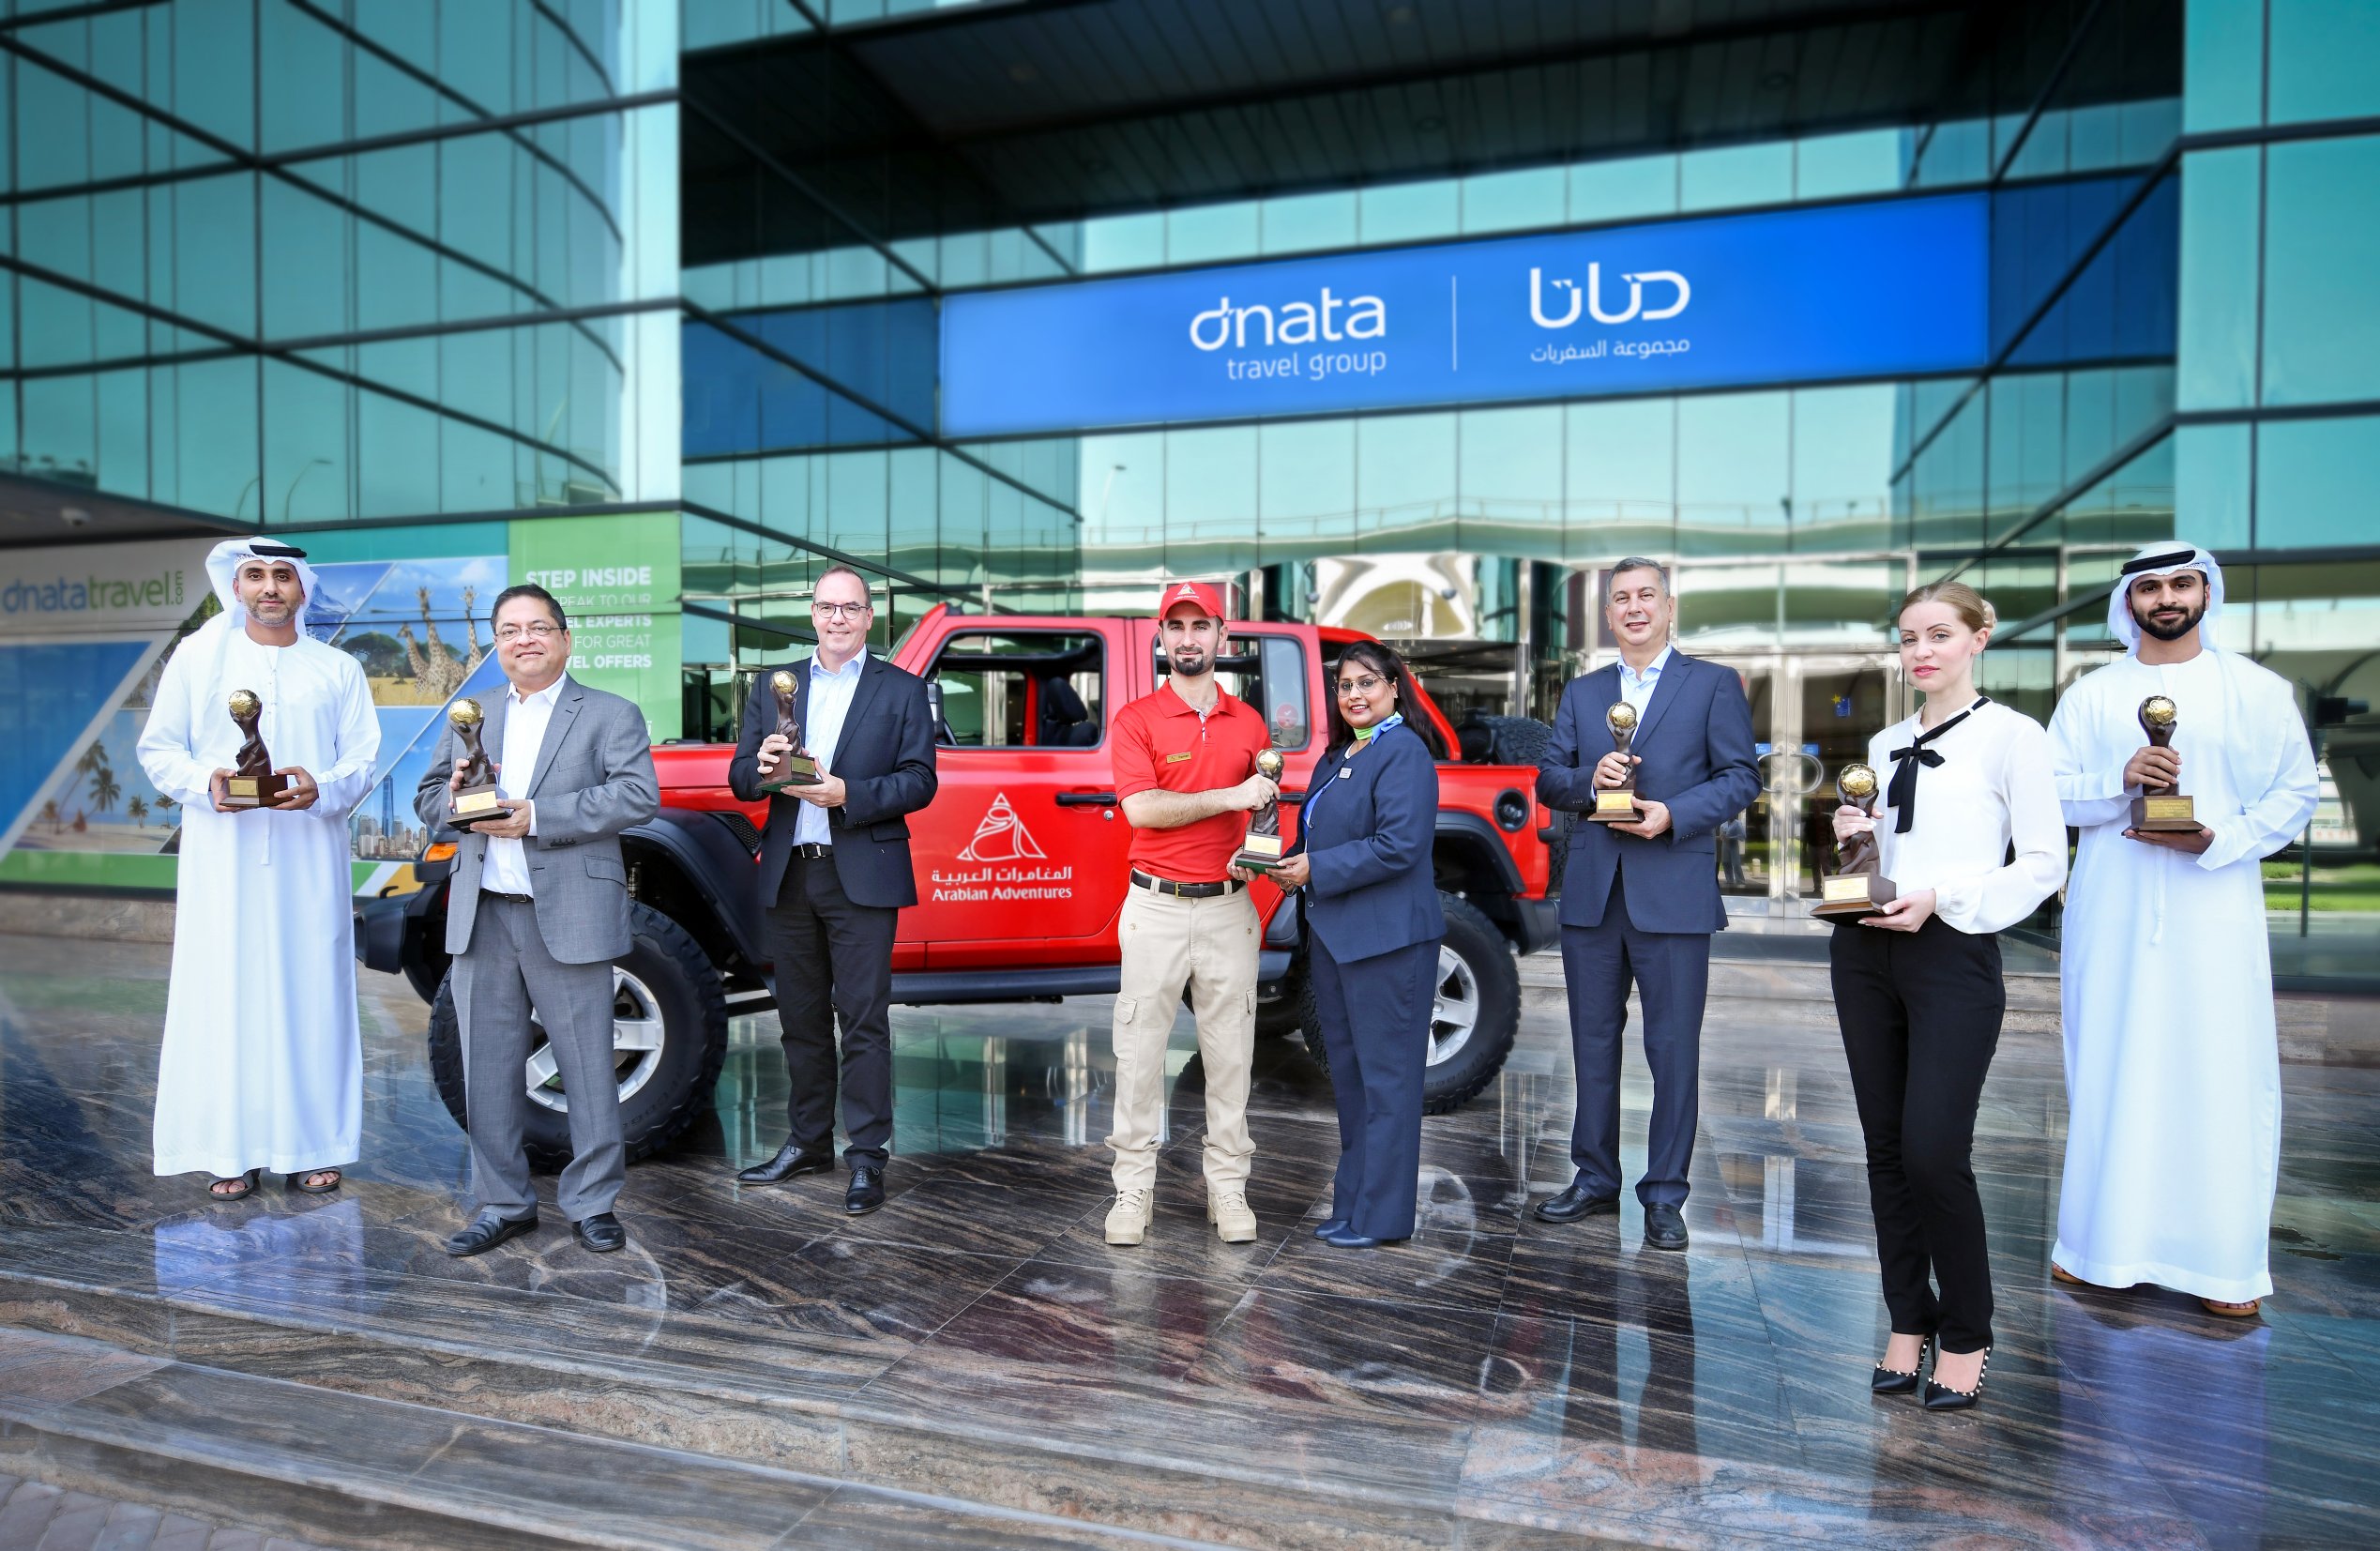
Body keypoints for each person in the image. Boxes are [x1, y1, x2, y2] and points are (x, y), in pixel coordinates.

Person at [2046, 543, 2318, 1319]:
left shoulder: (2257, 690)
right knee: (2110, 1067)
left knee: (2220, 1072)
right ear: (2128, 601)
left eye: (2179, 583)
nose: (2165, 597)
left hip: (2216, 911)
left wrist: (2219, 839)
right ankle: (2099, 1247)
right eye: (2149, 587)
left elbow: (2295, 791)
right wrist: (2119, 780)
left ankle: (2222, 1266)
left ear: (2204, 591)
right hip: (2113, 912)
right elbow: (2048, 792)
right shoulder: (2091, 694)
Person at [1829, 580, 2064, 1410]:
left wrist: (1942, 897)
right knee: (1885, 1149)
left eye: (1937, 634)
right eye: (1907, 637)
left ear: (1977, 638)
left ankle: (1966, 1329)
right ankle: (1907, 1317)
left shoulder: (2014, 736)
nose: (1920, 651)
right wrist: (1854, 840)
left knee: (1933, 1150)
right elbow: (1888, 851)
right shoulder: (1885, 740)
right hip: (1863, 949)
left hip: (1952, 953)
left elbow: (2044, 863)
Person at [416, 584, 659, 1256]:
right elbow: (429, 798)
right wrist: (456, 800)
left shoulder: (609, 713)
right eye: (509, 630)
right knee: (487, 1071)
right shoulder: (472, 714)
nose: (524, 639)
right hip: (484, 914)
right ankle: (502, 1204)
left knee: (588, 1066)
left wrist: (537, 816)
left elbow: (637, 795)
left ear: (564, 638)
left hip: (569, 913)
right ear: (497, 644)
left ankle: (593, 1203)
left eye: (538, 627)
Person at [139, 540, 379, 1201]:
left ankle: (314, 1147)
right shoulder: (198, 659)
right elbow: (159, 749)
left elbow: (361, 759)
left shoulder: (337, 669)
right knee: (225, 997)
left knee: (313, 997)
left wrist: (320, 787)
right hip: (224, 862)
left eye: (281, 576)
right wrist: (207, 783)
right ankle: (229, 1149)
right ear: (237, 586)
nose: (269, 587)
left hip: (310, 860)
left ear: (302, 589)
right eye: (255, 576)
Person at [1534, 558, 1758, 1250]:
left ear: (1668, 606)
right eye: (1621, 598)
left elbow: (1740, 776)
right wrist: (1588, 777)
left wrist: (1673, 814)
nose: (1634, 608)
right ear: (1608, 615)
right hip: (1593, 895)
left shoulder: (1712, 684)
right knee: (1592, 1045)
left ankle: (1665, 1194)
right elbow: (1549, 779)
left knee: (1672, 1050)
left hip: (1673, 892)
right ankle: (1594, 1178)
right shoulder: (1583, 691)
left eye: (1646, 596)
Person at [730, 566, 937, 1216]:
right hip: (790, 870)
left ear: (869, 617)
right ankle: (808, 1141)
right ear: (813, 614)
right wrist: (763, 766)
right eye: (826, 607)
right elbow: (740, 779)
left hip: (861, 872)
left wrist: (849, 793)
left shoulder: (902, 690)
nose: (837, 618)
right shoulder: (775, 684)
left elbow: (920, 780)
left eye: (850, 607)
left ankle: (867, 1156)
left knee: (864, 1021)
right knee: (800, 1020)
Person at [1104, 580, 1279, 1247]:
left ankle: (1228, 1188)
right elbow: (1141, 809)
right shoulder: (1136, 719)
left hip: (1229, 909)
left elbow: (1262, 809)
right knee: (1138, 1057)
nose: (1187, 638)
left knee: (1231, 1057)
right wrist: (1229, 795)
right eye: (1175, 626)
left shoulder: (1250, 724)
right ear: (1161, 637)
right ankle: (1132, 1190)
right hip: (1154, 907)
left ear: (1220, 636)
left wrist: (1254, 854)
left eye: (1199, 625)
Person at [1261, 641, 1444, 1249]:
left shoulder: (1404, 752)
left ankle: (1383, 1218)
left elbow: (1400, 846)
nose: (1355, 694)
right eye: (1345, 685)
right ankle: (1353, 1206)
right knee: (1352, 1082)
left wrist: (1315, 868)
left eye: (1367, 682)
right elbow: (1320, 835)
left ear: (1394, 687)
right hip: (1337, 940)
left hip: (1388, 943)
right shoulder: (1340, 754)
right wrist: (1282, 861)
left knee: (1388, 1085)